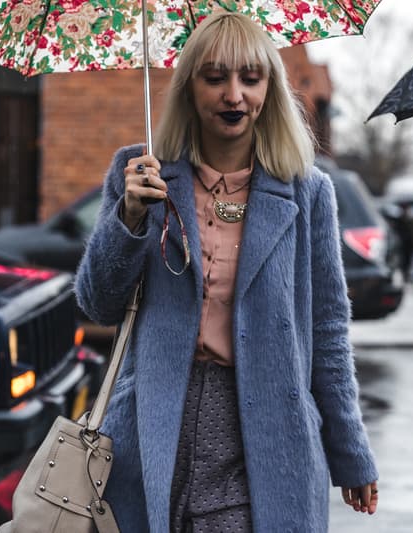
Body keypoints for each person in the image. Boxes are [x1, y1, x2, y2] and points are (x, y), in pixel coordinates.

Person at [74, 11, 378, 533]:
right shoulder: (142, 174)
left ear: (269, 90)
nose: (233, 94)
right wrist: (128, 218)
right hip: (153, 426)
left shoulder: (308, 193)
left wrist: (350, 450)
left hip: (264, 431)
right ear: (189, 88)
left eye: (249, 78)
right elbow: (97, 303)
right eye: (214, 78)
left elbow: (328, 332)